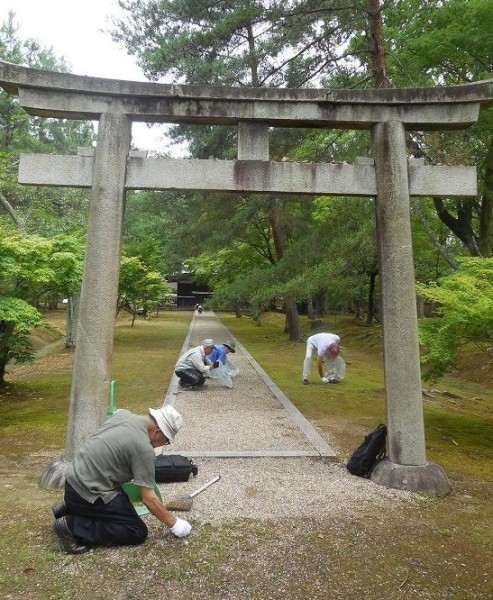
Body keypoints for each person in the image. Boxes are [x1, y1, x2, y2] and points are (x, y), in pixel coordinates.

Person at [52, 405, 191, 555]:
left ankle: (69, 508)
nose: (162, 445)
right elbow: (148, 499)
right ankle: (71, 526)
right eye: (165, 441)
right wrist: (174, 524)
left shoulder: (123, 415)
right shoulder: (143, 449)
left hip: (73, 483)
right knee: (135, 531)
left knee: (122, 503)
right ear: (157, 433)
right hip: (90, 493)